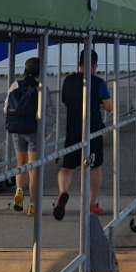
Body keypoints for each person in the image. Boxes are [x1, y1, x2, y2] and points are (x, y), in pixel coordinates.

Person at [54, 49, 112, 220]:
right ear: (94, 65)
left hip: (72, 130)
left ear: (79, 63)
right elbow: (108, 107)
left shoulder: (68, 81)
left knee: (67, 168)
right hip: (93, 130)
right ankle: (92, 204)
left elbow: (66, 102)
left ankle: (63, 191)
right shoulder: (98, 82)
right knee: (95, 167)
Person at [3, 57, 52, 216]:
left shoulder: (15, 85)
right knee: (34, 168)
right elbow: (47, 111)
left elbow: (6, 108)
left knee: (20, 164)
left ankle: (18, 190)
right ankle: (32, 205)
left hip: (17, 129)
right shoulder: (42, 88)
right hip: (34, 130)